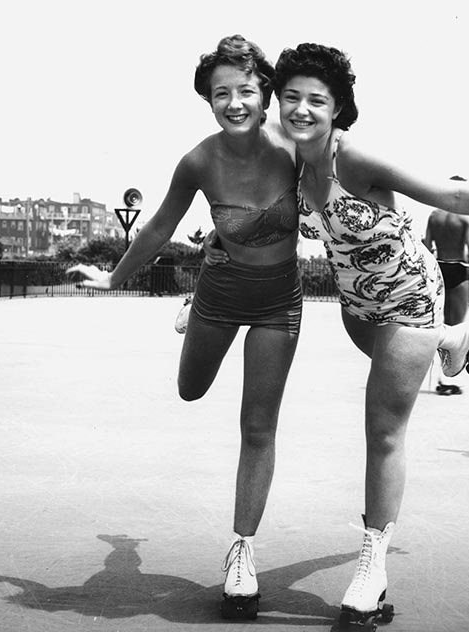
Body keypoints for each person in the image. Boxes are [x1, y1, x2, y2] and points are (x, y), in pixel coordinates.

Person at [267, 42, 469, 626]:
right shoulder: (283, 162)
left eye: (317, 100)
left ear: (338, 109)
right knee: (399, 375)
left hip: (409, 294)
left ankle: (371, 564)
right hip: (356, 308)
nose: (302, 110)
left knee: (381, 429)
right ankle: (455, 338)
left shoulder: (353, 159)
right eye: (291, 98)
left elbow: (451, 194)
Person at [66, 35, 301, 619]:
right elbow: (155, 228)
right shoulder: (200, 161)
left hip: (279, 303)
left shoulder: (297, 149)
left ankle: (242, 550)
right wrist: (113, 278)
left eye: (246, 90)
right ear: (208, 101)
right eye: (221, 93)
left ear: (265, 93)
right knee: (190, 389)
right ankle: (192, 306)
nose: (235, 102)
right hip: (220, 294)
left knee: (258, 426)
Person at [422, 178, 469, 395]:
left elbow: (426, 246)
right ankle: (446, 380)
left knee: (440, 327)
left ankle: (443, 377)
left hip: (439, 269)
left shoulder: (434, 216)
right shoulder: (465, 216)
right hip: (459, 271)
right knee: (456, 328)